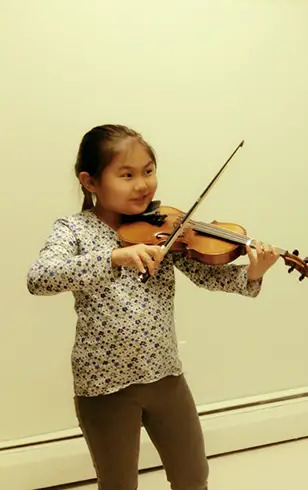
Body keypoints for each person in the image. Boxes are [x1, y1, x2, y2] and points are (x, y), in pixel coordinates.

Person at [27, 124, 280, 490]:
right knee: (118, 483)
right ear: (90, 181)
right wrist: (114, 257)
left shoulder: (163, 228)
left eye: (148, 171)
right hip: (104, 385)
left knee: (193, 476)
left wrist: (252, 273)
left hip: (165, 377)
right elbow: (40, 278)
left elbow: (206, 273)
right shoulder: (74, 230)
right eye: (126, 175)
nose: (143, 185)